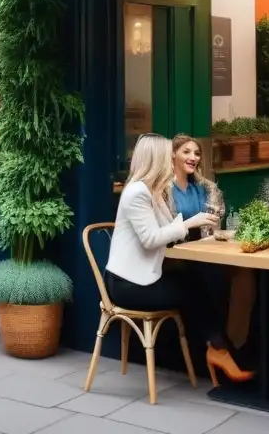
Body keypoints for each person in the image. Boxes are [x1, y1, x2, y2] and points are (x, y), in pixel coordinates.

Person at [106, 133, 253, 387]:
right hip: (127, 285)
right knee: (195, 289)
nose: (169, 162)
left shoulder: (152, 191)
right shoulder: (136, 192)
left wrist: (193, 224)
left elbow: (168, 230)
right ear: (155, 159)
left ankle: (220, 349)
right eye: (166, 156)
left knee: (200, 280)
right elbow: (152, 239)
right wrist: (190, 222)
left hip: (145, 277)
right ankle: (219, 350)